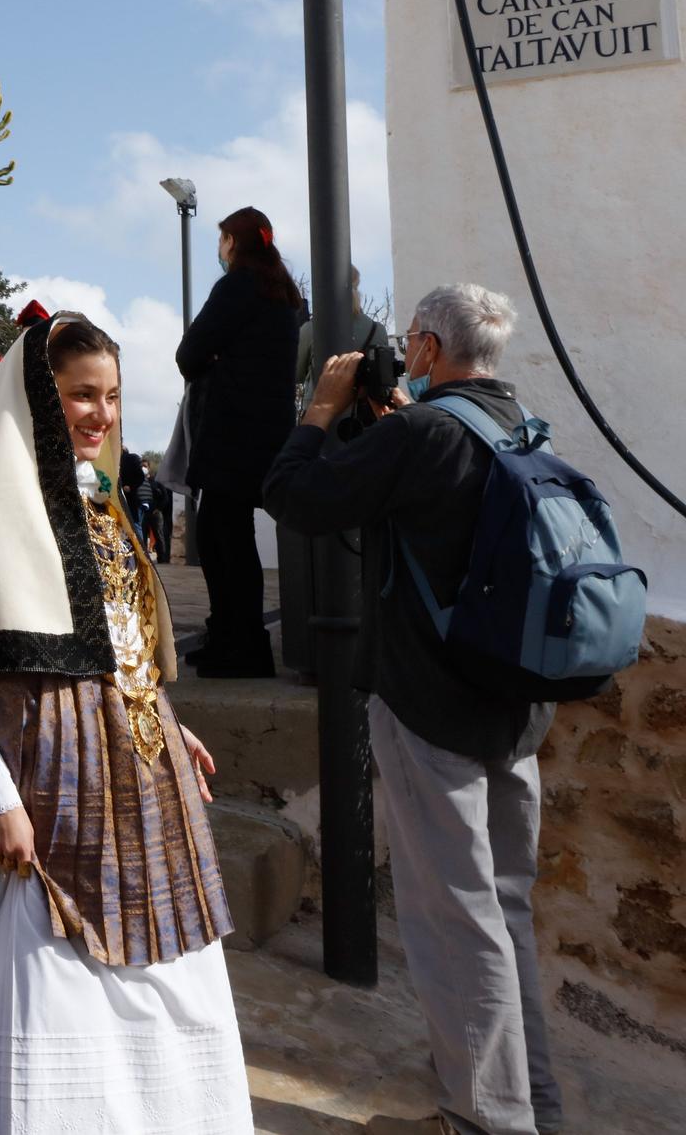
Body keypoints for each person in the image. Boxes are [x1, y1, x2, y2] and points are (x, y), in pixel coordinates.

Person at [0, 314, 251, 1133]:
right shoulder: (0, 506)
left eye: (110, 395)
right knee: (50, 971)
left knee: (169, 964)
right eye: (78, 396)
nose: (99, 414)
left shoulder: (100, 503)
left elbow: (124, 645)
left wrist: (166, 720)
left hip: (140, 776)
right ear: (39, 400)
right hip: (47, 782)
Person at [263, 284, 563, 1135]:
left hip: (434, 711)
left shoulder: (421, 433)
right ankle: (532, 1103)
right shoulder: (516, 424)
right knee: (503, 913)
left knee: (450, 918)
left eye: (408, 341)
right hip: (516, 711)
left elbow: (294, 494)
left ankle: (482, 1119)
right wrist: (393, 420)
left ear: (428, 347)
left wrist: (320, 409)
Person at [174, 205, 302, 677]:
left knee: (220, 538)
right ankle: (235, 639)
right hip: (268, 432)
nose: (220, 248)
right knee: (233, 537)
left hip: (230, 430)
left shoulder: (237, 285)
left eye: (223, 238)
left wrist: (215, 366)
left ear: (235, 242)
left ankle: (240, 646)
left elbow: (189, 354)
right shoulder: (285, 293)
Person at [296, 262, 386, 403]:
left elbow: (295, 374)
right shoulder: (377, 330)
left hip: (320, 412)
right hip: (366, 414)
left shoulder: (312, 328)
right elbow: (382, 379)